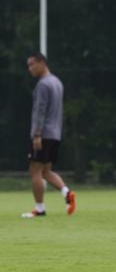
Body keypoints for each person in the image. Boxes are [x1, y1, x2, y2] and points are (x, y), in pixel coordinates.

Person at [22, 52, 76, 218]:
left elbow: (40, 111)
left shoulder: (43, 85)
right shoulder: (57, 82)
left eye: (32, 64)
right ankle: (67, 193)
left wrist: (37, 134)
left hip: (43, 134)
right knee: (46, 171)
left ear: (41, 63)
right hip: (55, 134)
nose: (29, 69)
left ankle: (39, 209)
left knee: (35, 171)